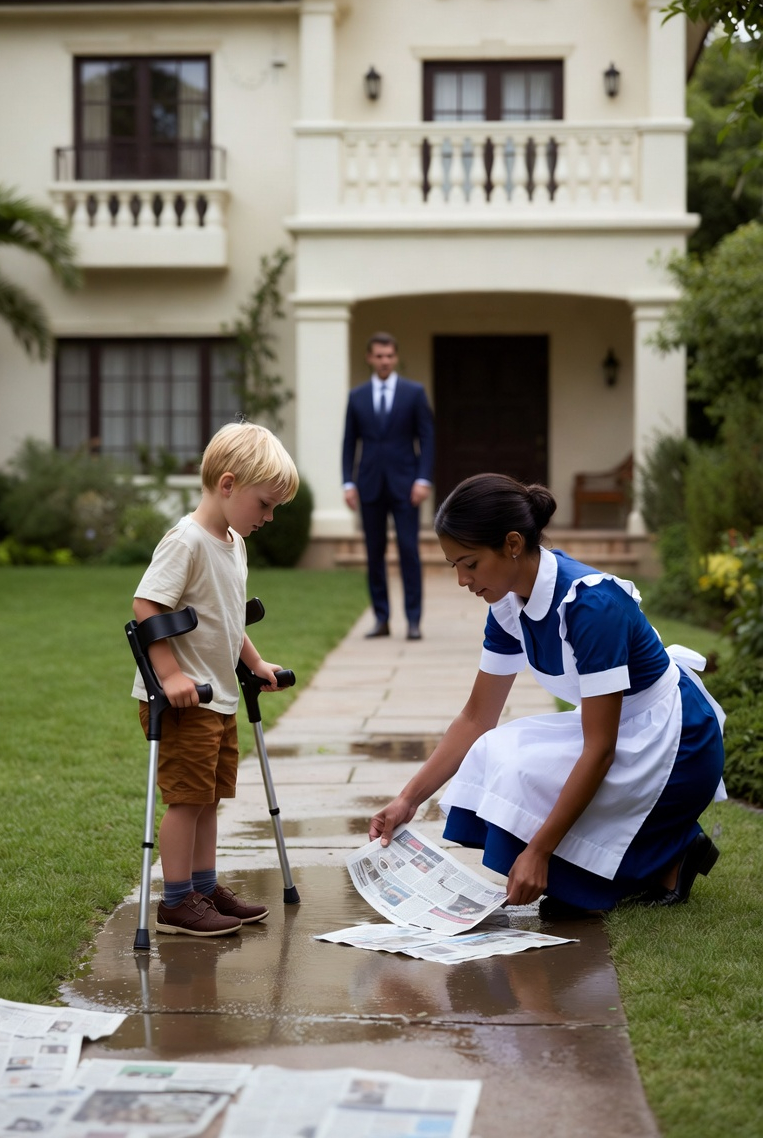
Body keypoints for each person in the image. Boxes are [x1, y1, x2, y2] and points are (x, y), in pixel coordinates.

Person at [369, 473, 726, 915]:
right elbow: (478, 718)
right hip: (619, 731)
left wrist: (538, 852)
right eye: (454, 566)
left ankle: (671, 850)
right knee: (497, 754)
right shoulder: (506, 604)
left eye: (470, 563)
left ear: (513, 544)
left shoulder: (591, 605)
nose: (462, 579)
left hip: (676, 745)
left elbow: (600, 750)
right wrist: (408, 799)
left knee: (526, 782)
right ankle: (623, 862)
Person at [132, 422, 299, 936]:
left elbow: (228, 618)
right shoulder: (186, 541)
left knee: (208, 799)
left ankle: (202, 889)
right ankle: (176, 903)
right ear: (228, 485)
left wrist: (255, 662)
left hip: (218, 695)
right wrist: (171, 675)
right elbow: (146, 606)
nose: (269, 517)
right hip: (184, 700)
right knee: (187, 800)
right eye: (265, 504)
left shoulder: (232, 542)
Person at [342, 331, 435, 640]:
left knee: (409, 550)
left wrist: (423, 478)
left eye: (389, 356)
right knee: (374, 552)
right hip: (369, 485)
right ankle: (381, 619)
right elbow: (348, 443)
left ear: (395, 358)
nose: (384, 361)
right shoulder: (357, 397)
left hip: (407, 486)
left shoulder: (414, 393)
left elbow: (427, 438)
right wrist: (347, 482)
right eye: (378, 356)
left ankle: (413, 621)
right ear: (370, 358)